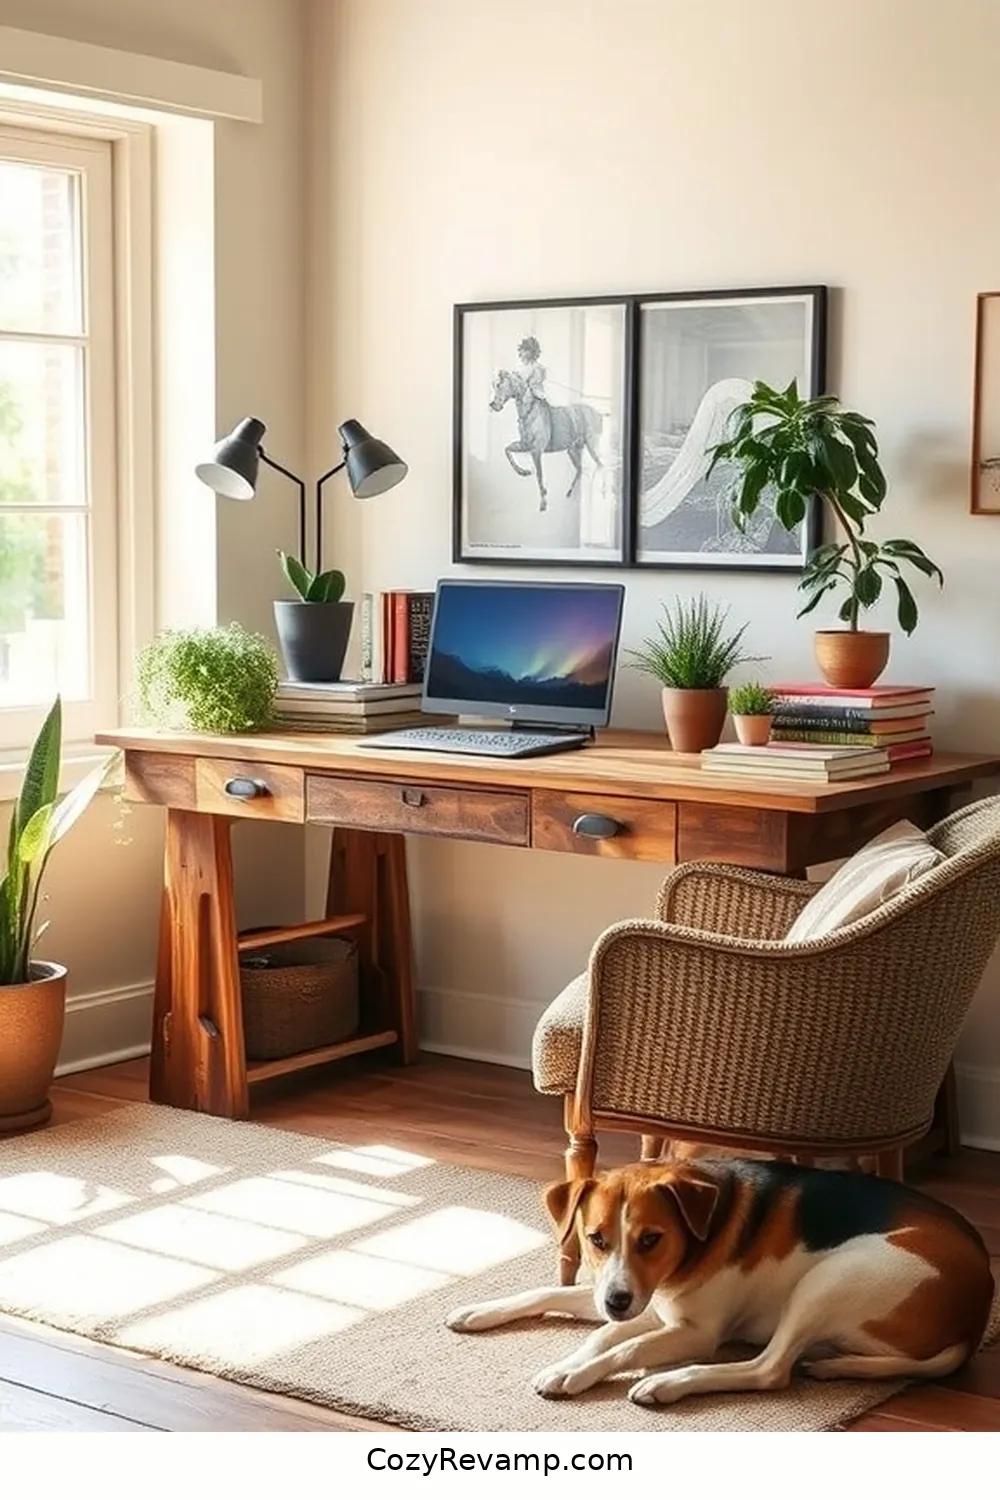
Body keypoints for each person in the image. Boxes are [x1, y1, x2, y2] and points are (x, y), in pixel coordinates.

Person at [517, 336, 549, 407]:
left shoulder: (536, 367)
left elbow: (537, 380)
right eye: (522, 350)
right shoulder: (522, 368)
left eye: (525, 350)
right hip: (527, 400)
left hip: (536, 399)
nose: (522, 353)